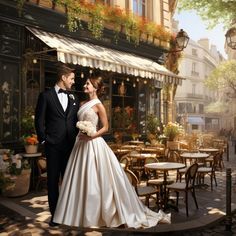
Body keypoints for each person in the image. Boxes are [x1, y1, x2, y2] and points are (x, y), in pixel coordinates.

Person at [53, 76, 170, 228]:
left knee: (96, 177)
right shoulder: (82, 103)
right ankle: (76, 212)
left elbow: (106, 127)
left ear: (95, 87)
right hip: (80, 143)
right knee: (78, 177)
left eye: (88, 83)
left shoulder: (99, 105)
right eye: (86, 83)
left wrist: (92, 135)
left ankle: (97, 214)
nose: (85, 85)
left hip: (93, 143)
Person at [34, 64, 80, 227]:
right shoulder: (45, 96)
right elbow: (39, 121)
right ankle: (55, 215)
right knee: (52, 181)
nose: (73, 82)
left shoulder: (74, 97)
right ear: (63, 77)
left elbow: (75, 121)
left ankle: (68, 213)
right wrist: (44, 140)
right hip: (52, 146)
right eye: (72, 79)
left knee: (68, 180)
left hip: (70, 146)